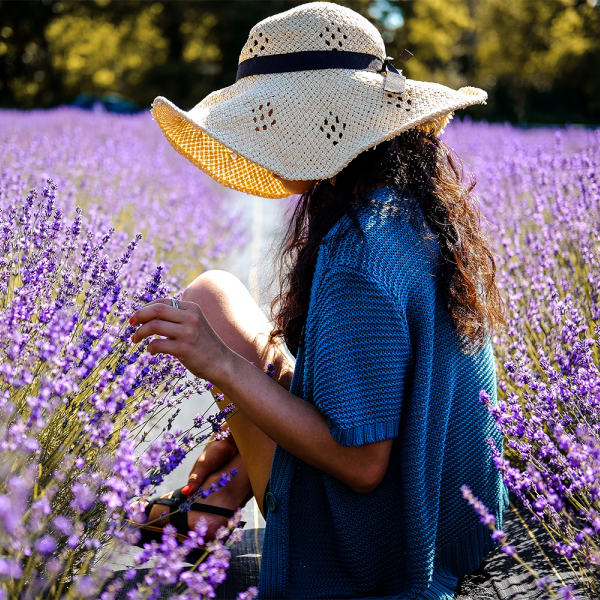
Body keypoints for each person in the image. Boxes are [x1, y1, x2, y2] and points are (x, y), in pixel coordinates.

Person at [129, 3, 508, 598]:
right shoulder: (413, 209)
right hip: (455, 517)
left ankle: (211, 503)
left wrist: (219, 365)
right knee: (215, 294)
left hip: (381, 545)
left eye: (267, 119)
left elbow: (362, 465)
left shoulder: (360, 252)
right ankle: (222, 491)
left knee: (209, 313)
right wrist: (239, 434)